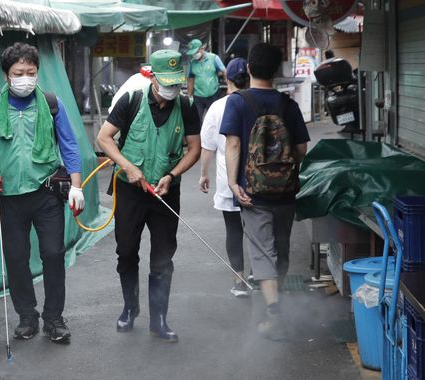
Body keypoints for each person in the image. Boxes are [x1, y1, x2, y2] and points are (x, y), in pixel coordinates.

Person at [0, 42, 84, 344]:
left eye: (32, 72)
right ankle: (27, 317)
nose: (26, 78)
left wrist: (77, 186)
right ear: (7, 75)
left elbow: (69, 145)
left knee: (53, 255)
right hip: (10, 197)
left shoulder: (53, 104)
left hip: (47, 194)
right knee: (16, 259)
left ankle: (54, 319)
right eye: (19, 72)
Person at [97, 49, 201, 343]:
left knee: (163, 256)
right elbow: (104, 138)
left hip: (166, 192)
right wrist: (128, 167)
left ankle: (160, 319)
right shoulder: (131, 100)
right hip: (130, 190)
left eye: (176, 83)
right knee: (127, 251)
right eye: (166, 82)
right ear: (152, 77)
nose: (171, 89)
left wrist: (172, 175)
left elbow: (194, 148)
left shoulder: (187, 105)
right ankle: (130, 308)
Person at [221, 43, 310, 340]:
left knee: (262, 251)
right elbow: (301, 149)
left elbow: (233, 144)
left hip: (252, 193)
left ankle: (273, 313)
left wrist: (234, 183)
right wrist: (282, 169)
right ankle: (277, 301)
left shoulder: (237, 102)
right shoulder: (289, 105)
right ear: (276, 71)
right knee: (281, 248)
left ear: (248, 69)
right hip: (285, 192)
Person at [198, 57, 250, 298]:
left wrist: (203, 174)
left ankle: (239, 281)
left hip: (228, 179)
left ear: (226, 79)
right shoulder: (255, 102)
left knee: (234, 230)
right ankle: (262, 276)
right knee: (260, 228)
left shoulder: (217, 107)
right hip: (260, 180)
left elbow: (207, 146)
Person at [186, 39, 226, 122]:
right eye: (192, 53)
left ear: (202, 48)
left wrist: (229, 86)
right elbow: (190, 79)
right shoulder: (192, 63)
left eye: (195, 52)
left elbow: (224, 71)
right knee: (196, 119)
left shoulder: (214, 58)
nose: (194, 54)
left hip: (213, 94)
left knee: (214, 119)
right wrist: (189, 96)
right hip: (198, 96)